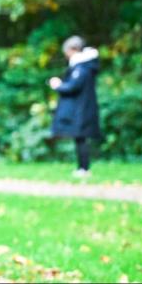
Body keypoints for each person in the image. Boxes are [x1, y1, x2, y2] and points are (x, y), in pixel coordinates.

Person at [49, 36, 101, 178]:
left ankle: (84, 169)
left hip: (82, 110)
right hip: (81, 109)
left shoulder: (82, 68)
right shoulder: (84, 66)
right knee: (80, 139)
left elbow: (73, 87)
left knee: (81, 139)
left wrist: (58, 85)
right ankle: (82, 168)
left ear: (73, 50)